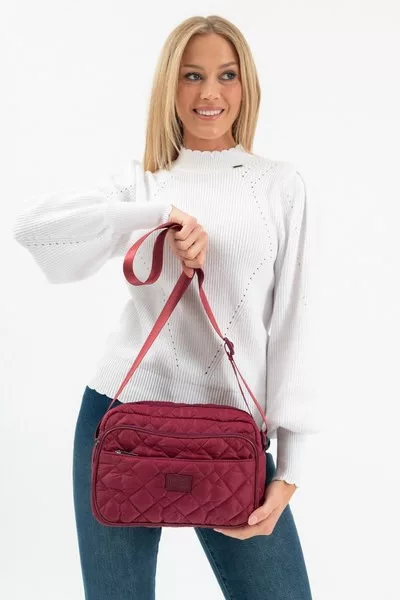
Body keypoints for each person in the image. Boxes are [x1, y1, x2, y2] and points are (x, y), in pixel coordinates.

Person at [12, 14, 320, 600]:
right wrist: (158, 216)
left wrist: (292, 471)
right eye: (192, 75)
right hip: (121, 418)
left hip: (230, 435)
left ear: (246, 84)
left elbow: (295, 327)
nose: (210, 93)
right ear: (169, 85)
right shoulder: (143, 183)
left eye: (227, 75)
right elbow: (33, 229)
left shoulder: (280, 185)